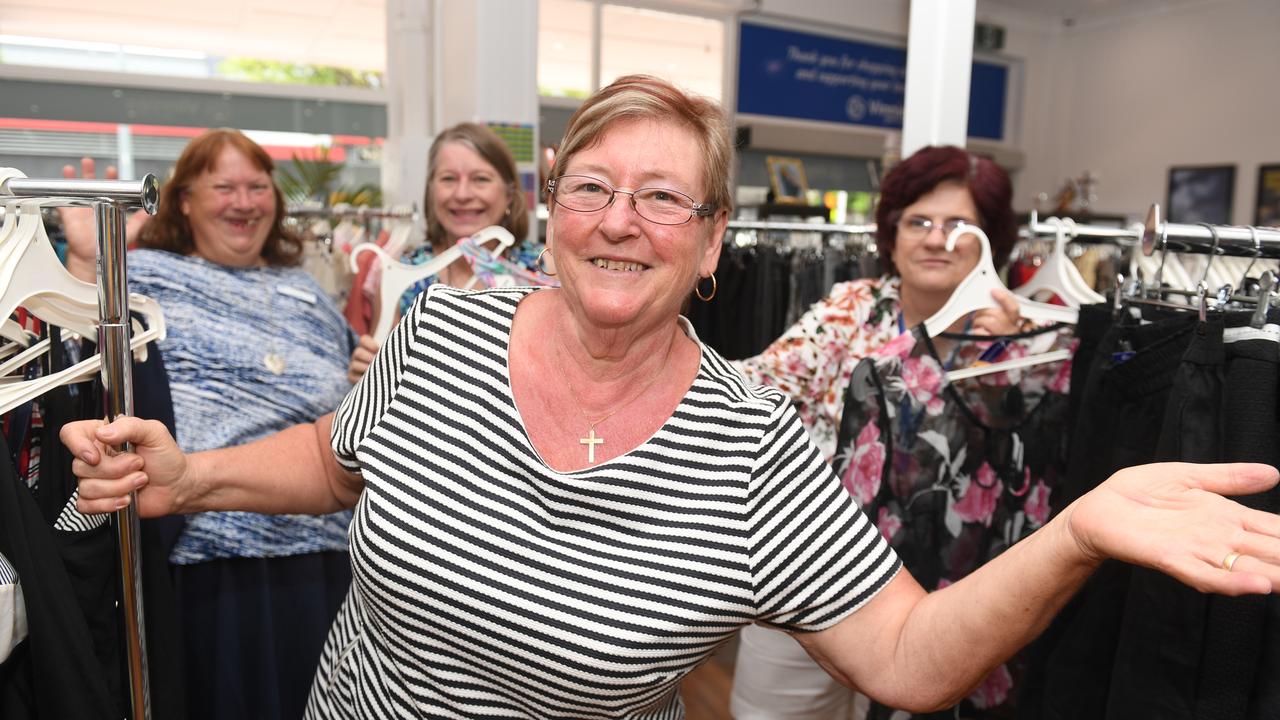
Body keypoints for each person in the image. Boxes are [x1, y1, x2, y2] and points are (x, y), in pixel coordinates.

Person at [61, 76, 1280, 720]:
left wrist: (1074, 530)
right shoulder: (445, 322)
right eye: (593, 185)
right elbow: (340, 458)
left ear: (709, 249)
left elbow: (908, 660)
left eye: (663, 198)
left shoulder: (749, 447)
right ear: (551, 213)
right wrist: (192, 475)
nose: (619, 220)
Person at [61, 130, 358, 720]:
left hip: (324, 554)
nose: (243, 203)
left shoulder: (308, 288)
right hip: (210, 558)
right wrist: (86, 261)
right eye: (223, 187)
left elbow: (347, 411)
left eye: (256, 186)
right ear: (187, 200)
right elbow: (76, 366)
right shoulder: (144, 278)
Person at [729, 146, 1032, 719]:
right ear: (891, 233)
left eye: (959, 225)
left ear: (991, 239)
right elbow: (750, 386)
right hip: (806, 569)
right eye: (918, 221)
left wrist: (1009, 367)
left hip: (939, 597)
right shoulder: (853, 308)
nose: (936, 239)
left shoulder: (1018, 340)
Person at [345, 121, 532, 383]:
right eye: (448, 179)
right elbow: (382, 381)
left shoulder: (544, 268)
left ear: (510, 194)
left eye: (480, 179)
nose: (462, 193)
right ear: (431, 190)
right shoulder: (402, 276)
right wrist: (367, 376)